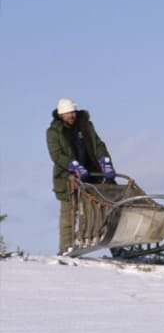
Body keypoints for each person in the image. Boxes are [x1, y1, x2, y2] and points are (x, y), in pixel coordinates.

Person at [46, 98, 116, 255]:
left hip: (92, 175)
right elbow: (56, 155)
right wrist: (73, 165)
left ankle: (111, 244)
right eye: (67, 113)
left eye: (72, 112)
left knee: (102, 209)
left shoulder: (86, 126)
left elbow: (98, 145)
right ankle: (66, 247)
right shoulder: (53, 132)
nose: (71, 115)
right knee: (69, 212)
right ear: (61, 115)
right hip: (67, 178)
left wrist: (106, 162)